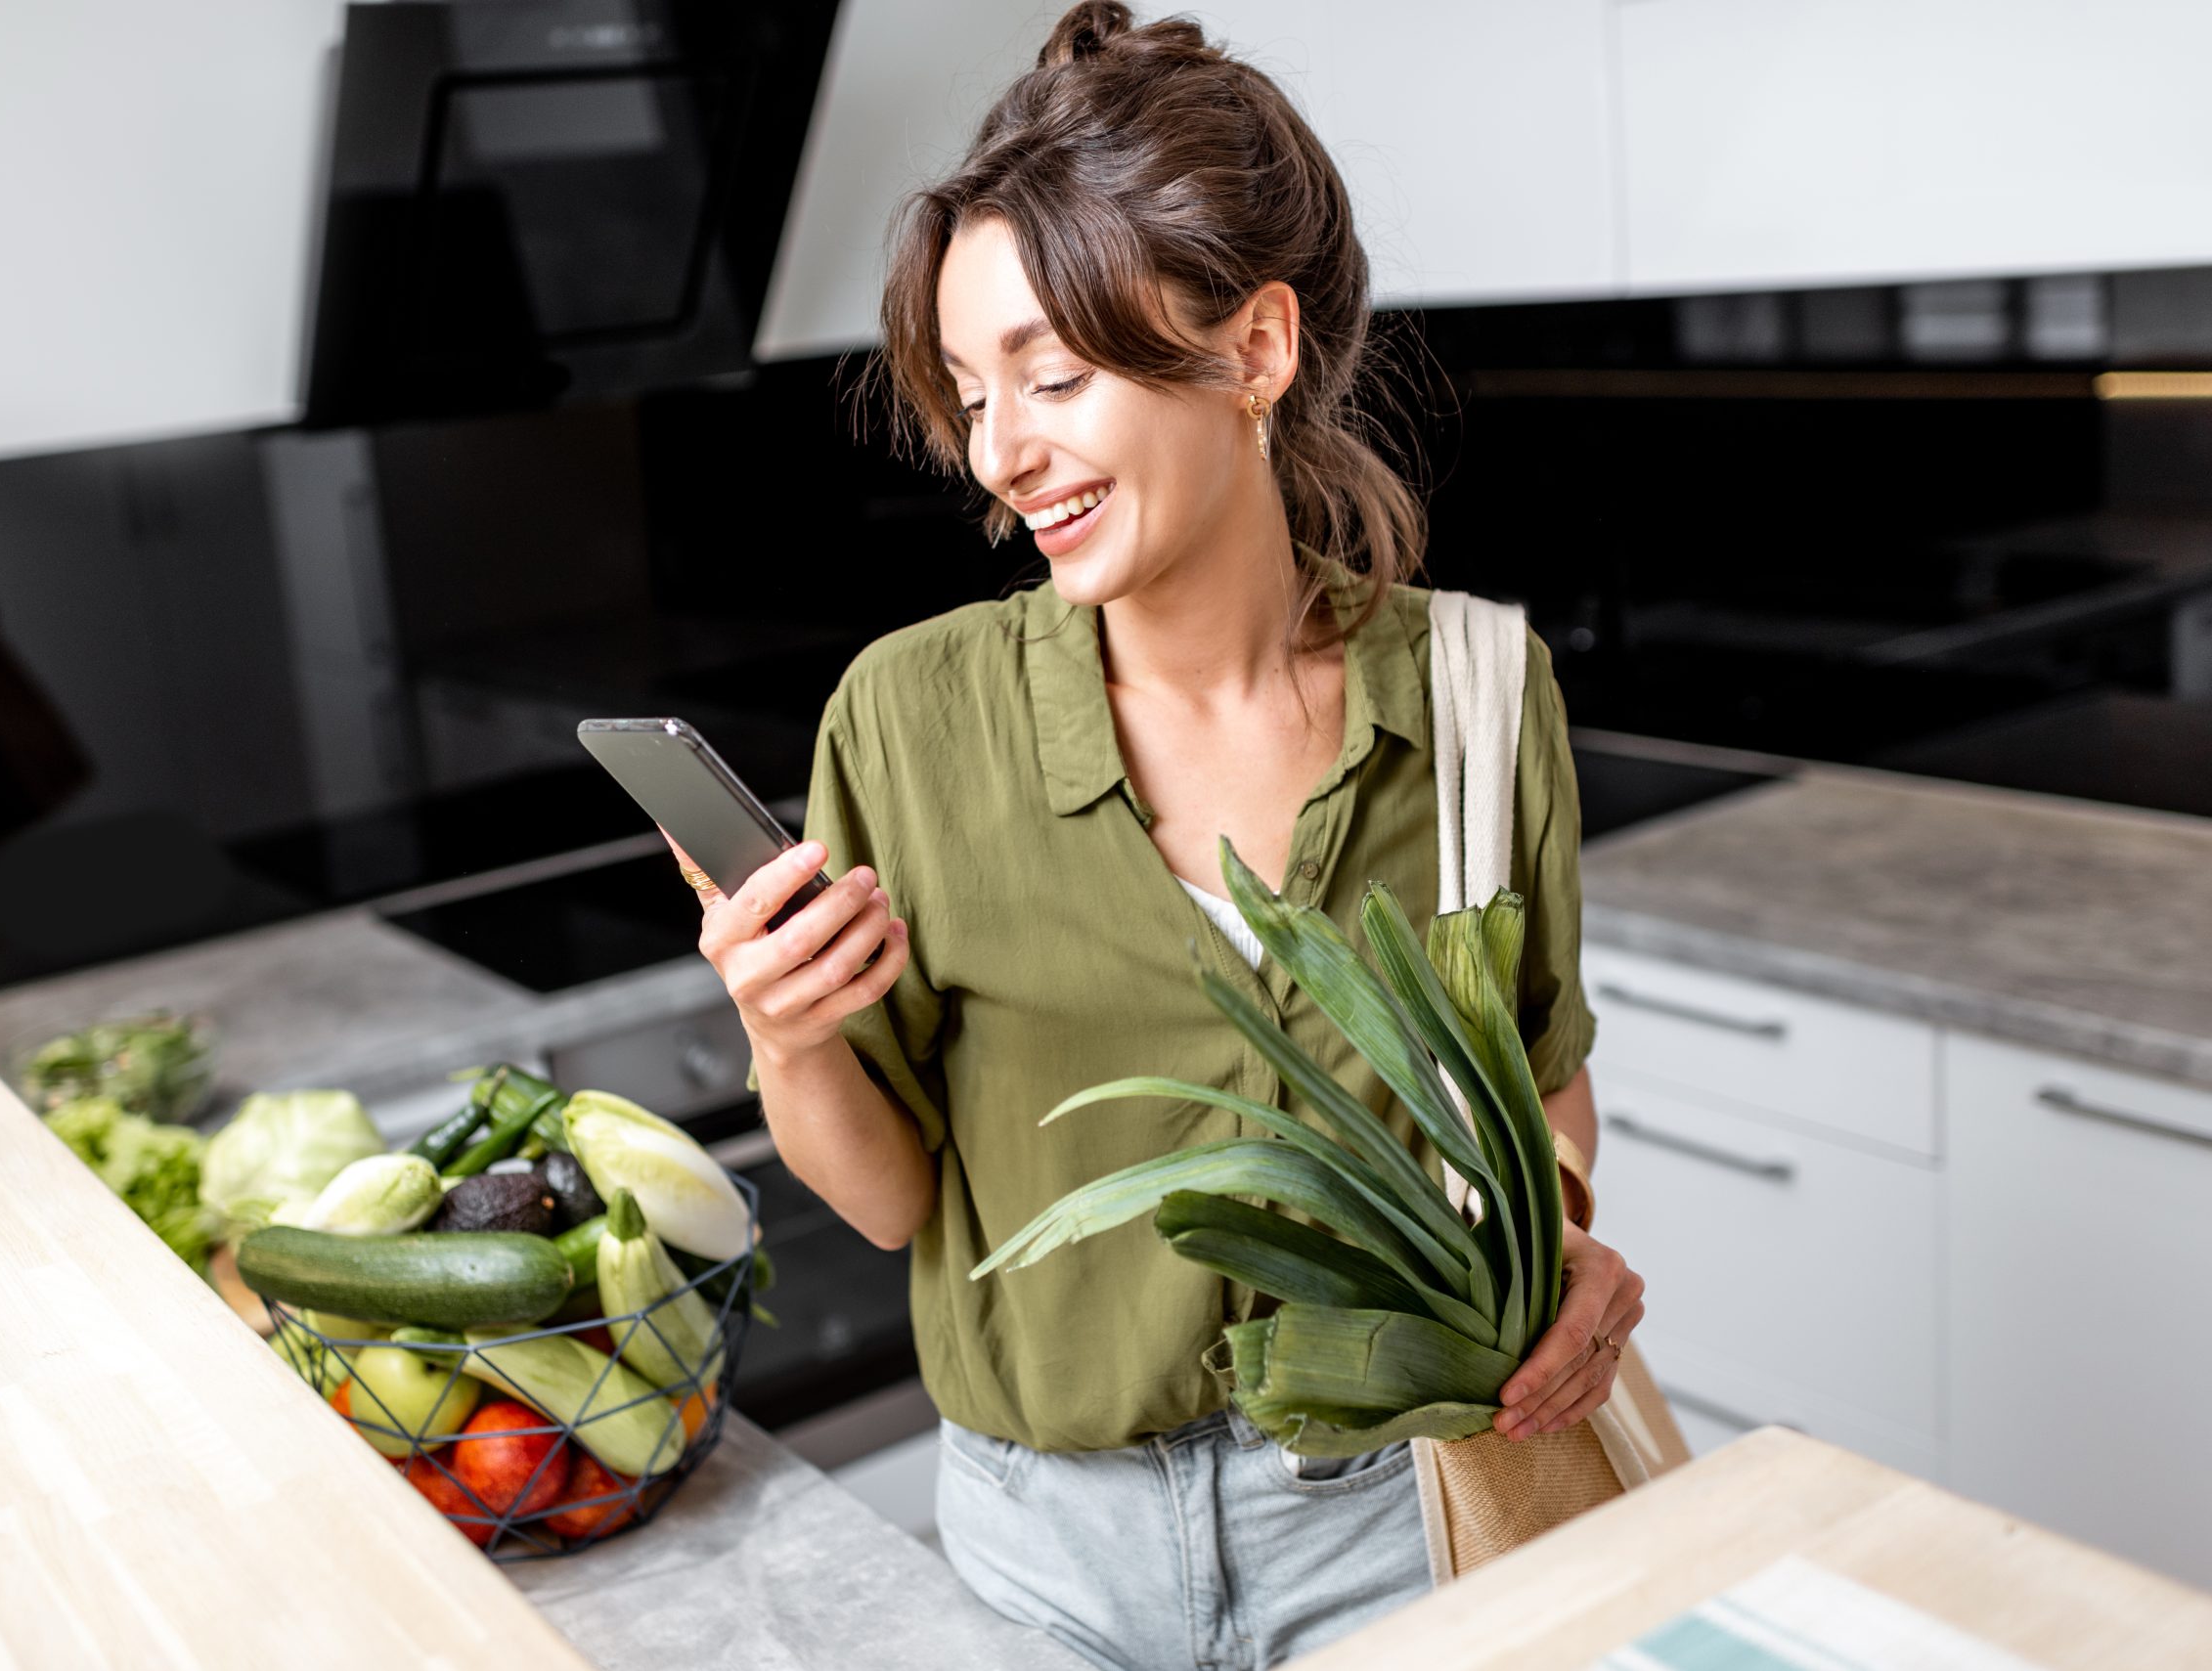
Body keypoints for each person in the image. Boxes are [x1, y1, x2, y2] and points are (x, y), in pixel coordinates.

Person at [674, 6, 1645, 1666]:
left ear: (1255, 348)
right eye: (975, 393)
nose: (1004, 450)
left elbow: (1536, 1080)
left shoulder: (1480, 690)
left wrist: (1552, 1255)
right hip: (1042, 1543)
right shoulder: (909, 719)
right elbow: (900, 1204)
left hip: (1398, 1510)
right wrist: (786, 1037)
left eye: (1054, 375)